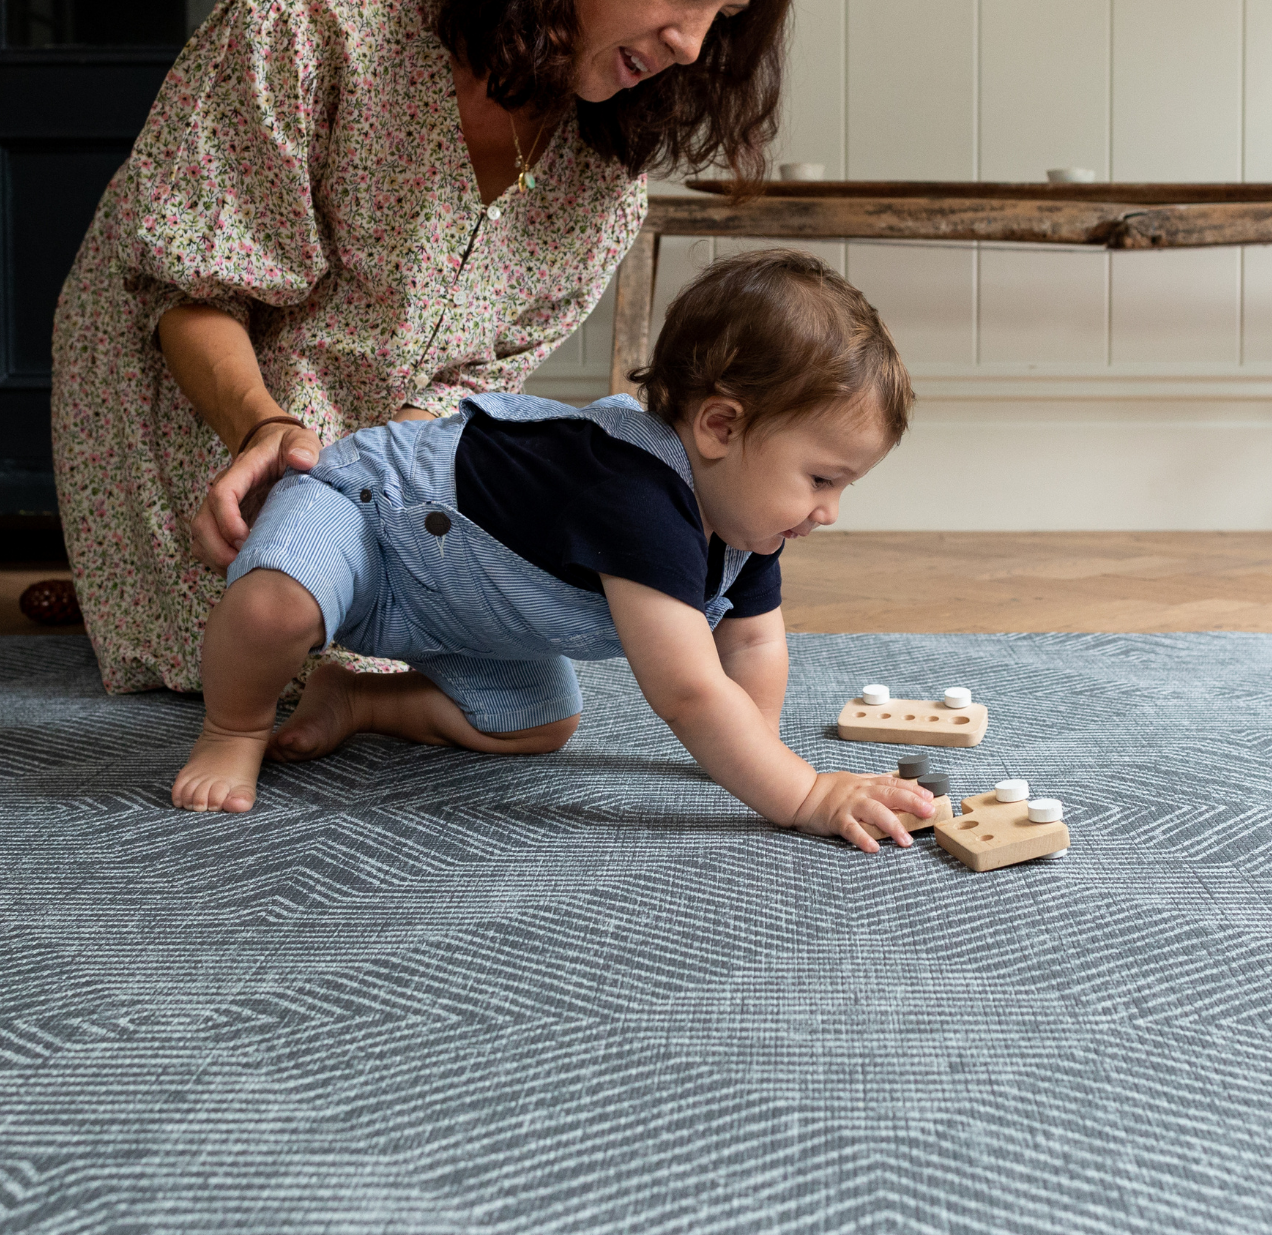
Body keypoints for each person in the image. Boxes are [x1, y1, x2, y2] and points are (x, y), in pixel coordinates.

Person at [52, 0, 800, 698]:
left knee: (473, 674)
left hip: (373, 452)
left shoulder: (608, 163)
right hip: (208, 388)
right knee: (250, 647)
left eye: (719, 17)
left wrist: (405, 513)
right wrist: (266, 430)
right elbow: (191, 287)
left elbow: (465, 395)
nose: (690, 44)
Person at [170, 250, 934, 851]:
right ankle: (235, 728)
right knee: (274, 605)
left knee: (539, 722)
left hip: (469, 617)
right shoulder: (636, 491)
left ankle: (361, 700)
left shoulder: (746, 521)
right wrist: (802, 793)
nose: (828, 512)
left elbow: (755, 642)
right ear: (721, 428)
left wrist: (755, 749)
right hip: (371, 522)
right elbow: (691, 692)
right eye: (822, 478)